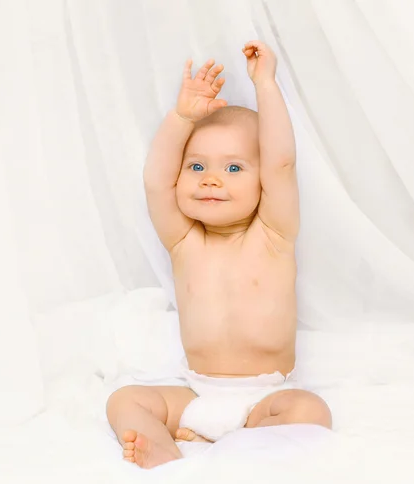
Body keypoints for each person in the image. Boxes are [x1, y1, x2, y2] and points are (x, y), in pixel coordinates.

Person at [106, 40, 332, 469]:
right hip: (197, 395)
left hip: (264, 399)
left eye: (233, 168)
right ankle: (167, 448)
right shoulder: (184, 240)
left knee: (311, 412)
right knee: (125, 399)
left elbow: (282, 162)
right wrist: (181, 119)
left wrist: (265, 84)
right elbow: (155, 182)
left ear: (261, 179)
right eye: (196, 167)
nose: (211, 180)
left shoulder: (274, 235)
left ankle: (245, 446)